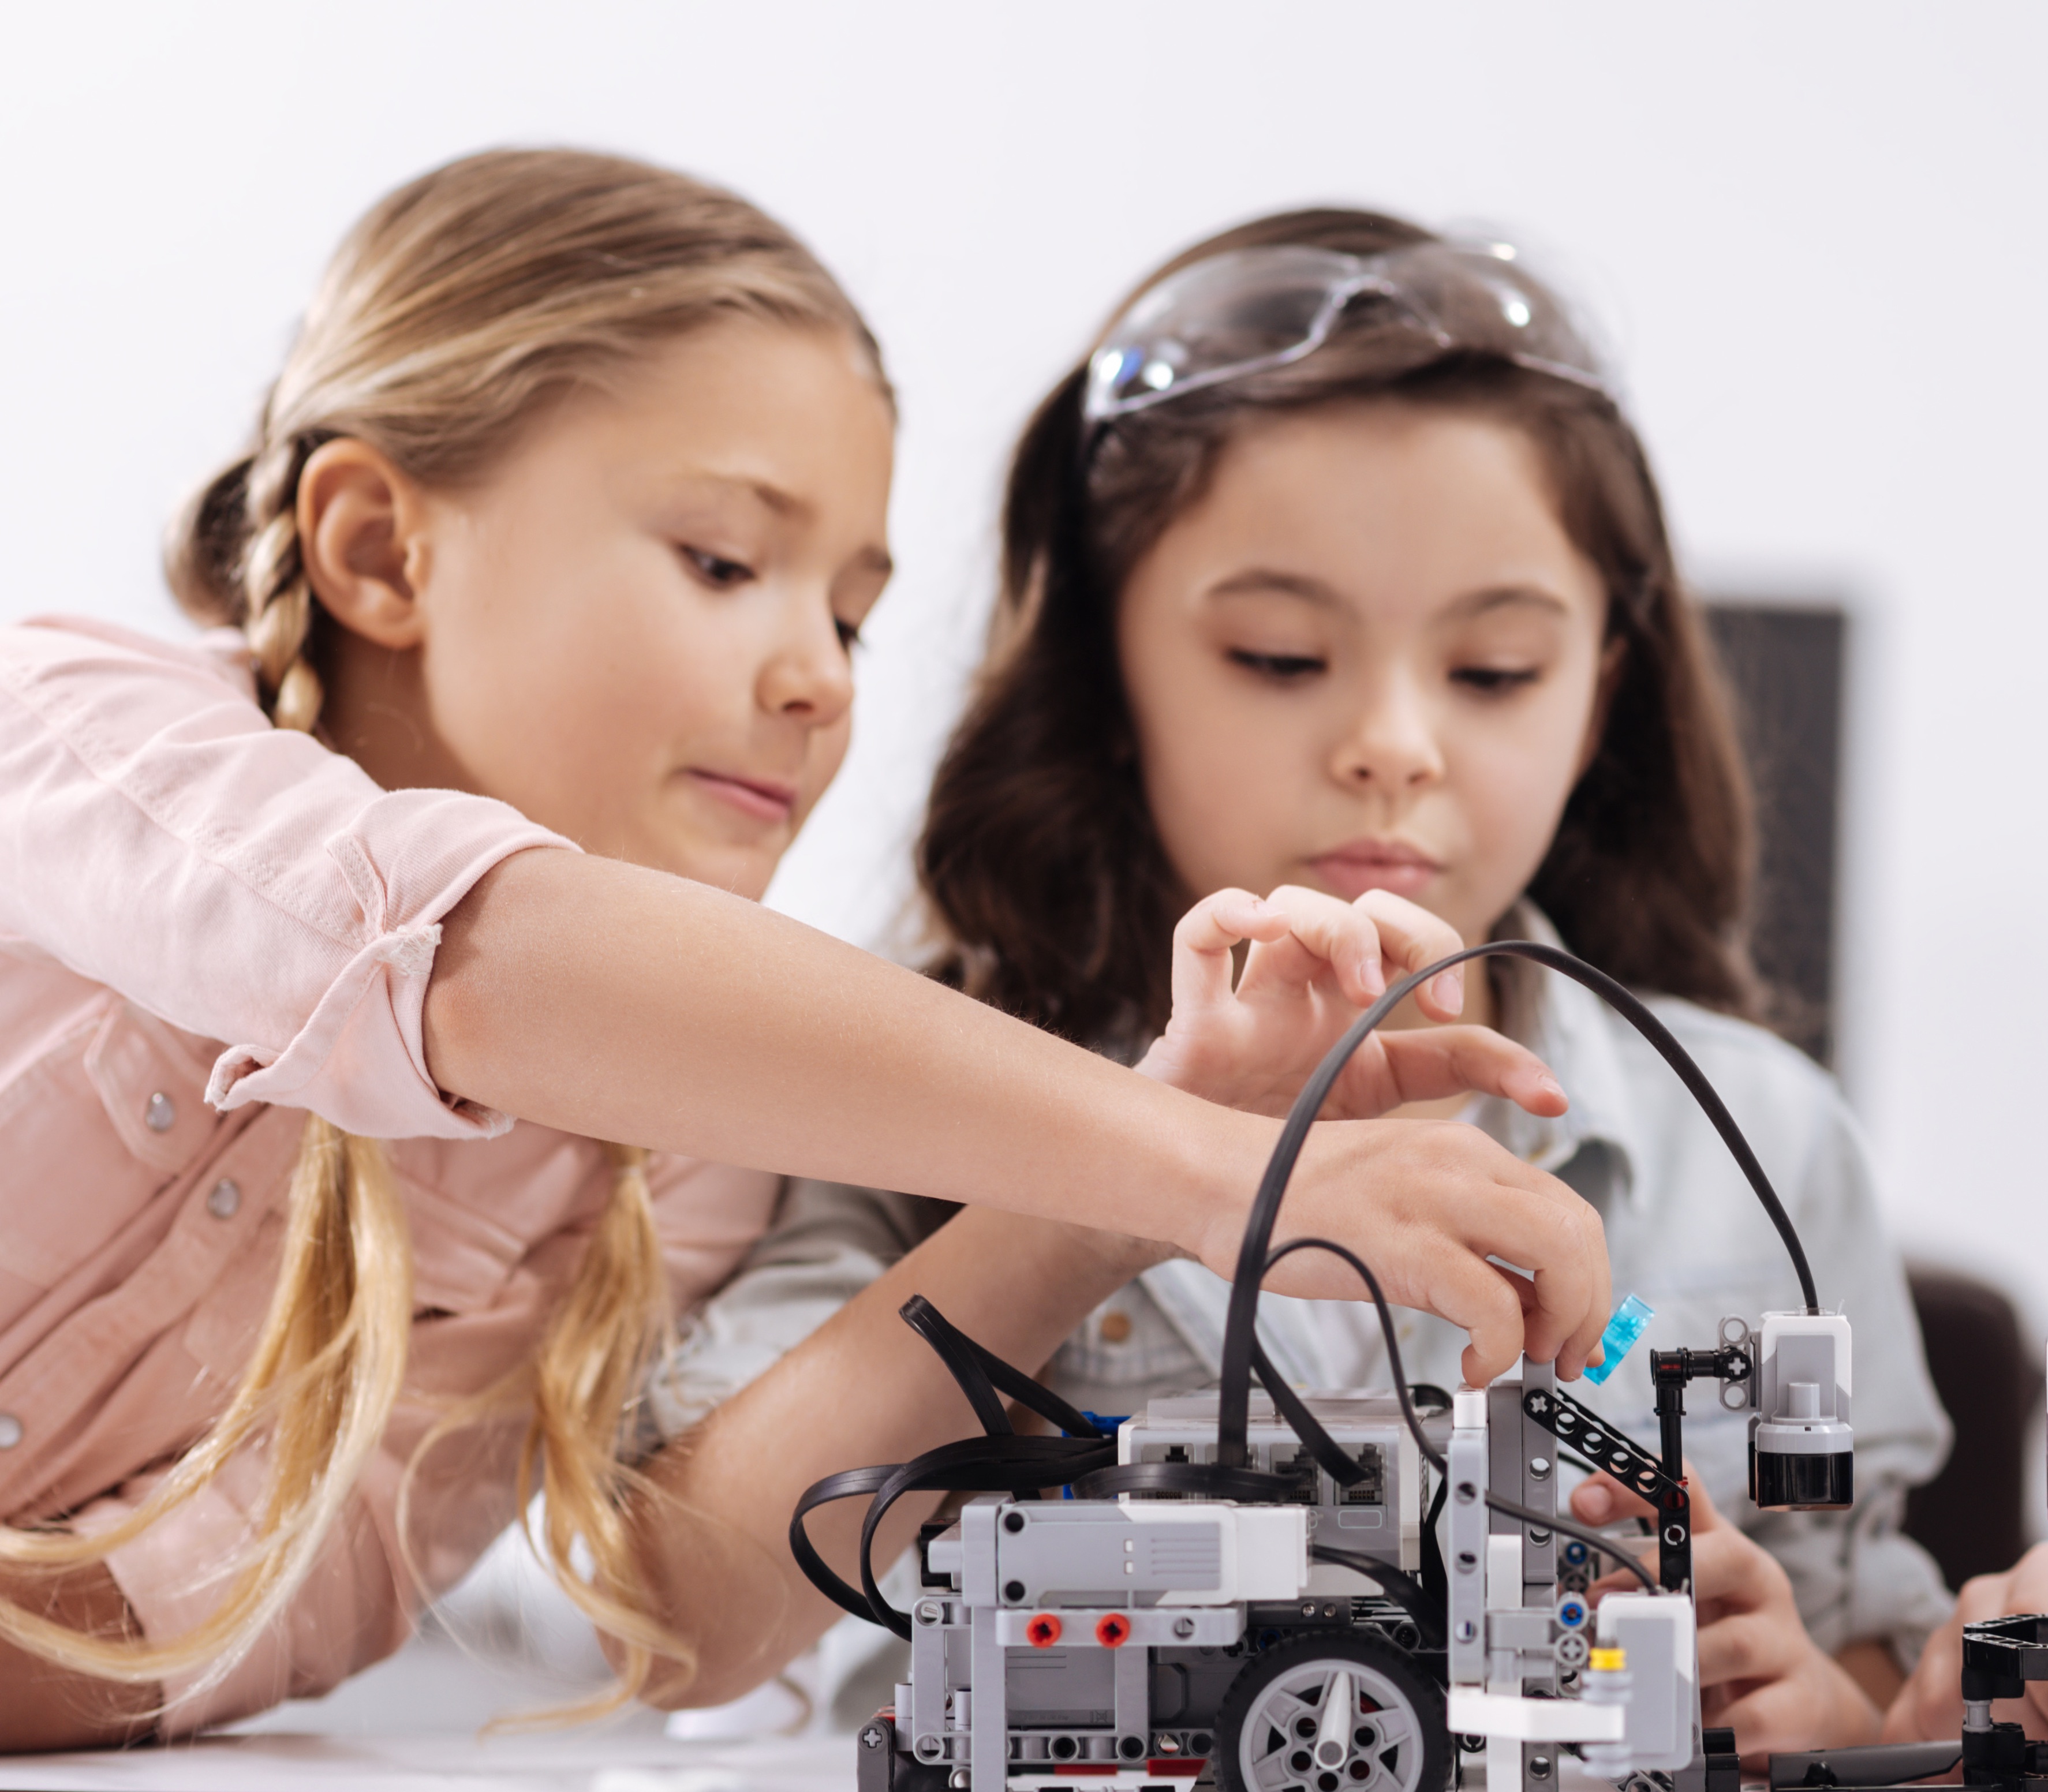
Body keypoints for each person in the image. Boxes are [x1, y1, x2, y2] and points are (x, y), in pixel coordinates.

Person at [0, 151, 1612, 1749]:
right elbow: (461, 942)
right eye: (722, 561)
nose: (823, 680)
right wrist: (1201, 1161)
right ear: (378, 547)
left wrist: (1145, 1157)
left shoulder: (674, 1166)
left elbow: (240, 1605)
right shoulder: (73, 734)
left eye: (848, 615)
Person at [631, 208, 1952, 1752]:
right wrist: (1126, 1175)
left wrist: (1811, 1699)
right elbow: (674, 1621)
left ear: (1603, 689)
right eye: (1276, 654)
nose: (1394, 740)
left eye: (1494, 670)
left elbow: (1863, 1657)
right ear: (1104, 672)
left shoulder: (1767, 1136)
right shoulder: (880, 1088)